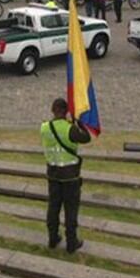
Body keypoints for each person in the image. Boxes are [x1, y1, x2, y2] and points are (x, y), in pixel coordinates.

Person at [41, 98, 91, 253]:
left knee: (53, 207)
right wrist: (79, 122)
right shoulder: (70, 129)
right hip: (70, 177)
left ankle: (52, 237)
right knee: (71, 209)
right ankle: (71, 241)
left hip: (53, 174)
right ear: (66, 111)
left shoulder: (44, 128)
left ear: (52, 110)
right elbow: (86, 138)